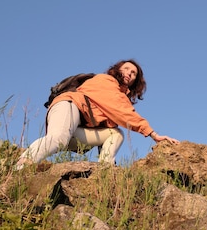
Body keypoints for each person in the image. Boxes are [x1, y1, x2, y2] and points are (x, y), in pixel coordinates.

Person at [15, 59, 179, 169]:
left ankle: (105, 171)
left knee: (115, 134)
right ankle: (20, 167)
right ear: (116, 69)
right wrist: (153, 134)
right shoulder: (106, 81)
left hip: (76, 128)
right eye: (126, 68)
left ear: (136, 81)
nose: (129, 73)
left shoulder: (120, 97)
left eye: (134, 73)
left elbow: (119, 111)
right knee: (58, 138)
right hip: (69, 105)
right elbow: (123, 111)